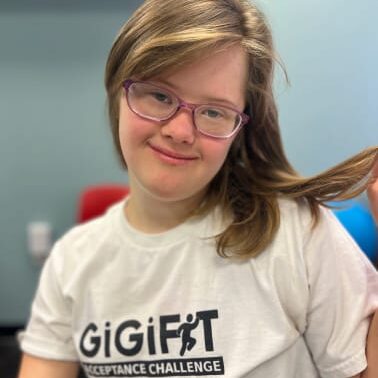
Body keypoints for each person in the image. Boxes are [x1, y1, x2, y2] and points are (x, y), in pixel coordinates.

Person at [18, 0, 378, 377]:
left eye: (213, 111)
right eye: (159, 96)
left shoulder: (299, 233)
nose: (180, 131)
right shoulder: (70, 263)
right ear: (118, 91)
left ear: (239, 130)